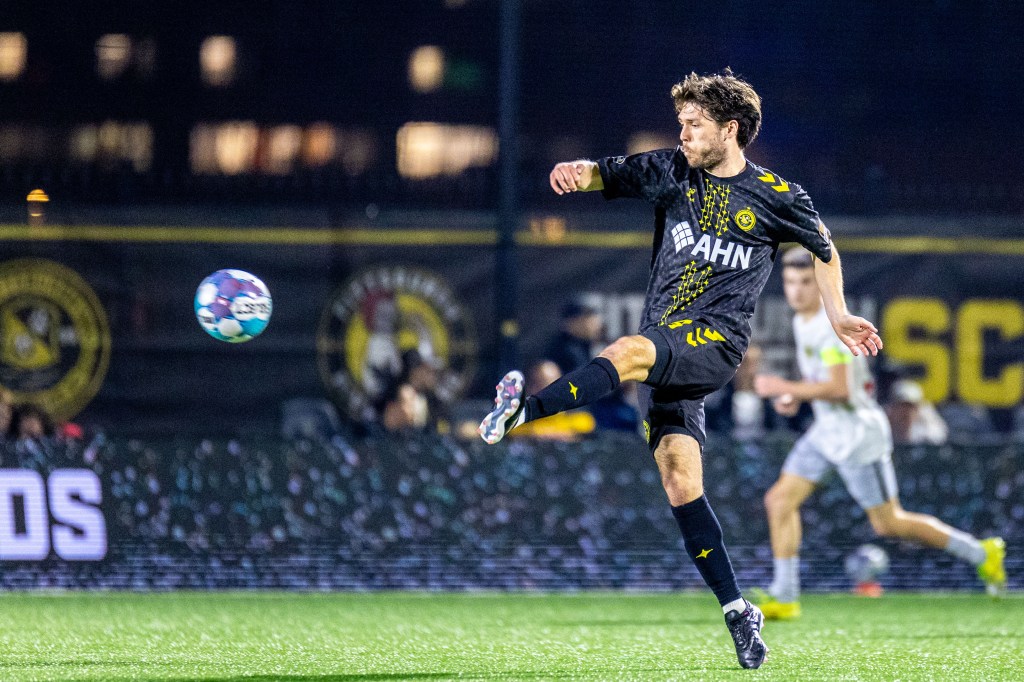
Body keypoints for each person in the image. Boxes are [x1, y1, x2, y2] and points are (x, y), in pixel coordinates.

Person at [478, 69, 884, 669]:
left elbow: (823, 246)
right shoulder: (672, 170)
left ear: (731, 129)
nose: (684, 133)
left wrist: (839, 313)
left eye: (695, 124)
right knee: (679, 480)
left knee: (630, 351)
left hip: (714, 345)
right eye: (681, 124)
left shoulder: (775, 194)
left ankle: (523, 412)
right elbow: (606, 172)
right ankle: (738, 610)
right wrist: (576, 172)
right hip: (671, 348)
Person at [751, 248, 1005, 620]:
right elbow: (826, 384)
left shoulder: (826, 326)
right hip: (827, 430)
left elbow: (840, 389)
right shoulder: (803, 321)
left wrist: (781, 385)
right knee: (779, 501)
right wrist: (796, 394)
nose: (797, 290)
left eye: (806, 281)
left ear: (822, 284)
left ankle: (982, 554)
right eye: (791, 282)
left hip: (857, 435)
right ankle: (785, 595)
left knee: (888, 523)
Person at [884, 379, 949, 445]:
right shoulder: (882, 422)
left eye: (911, 406)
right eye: (902, 405)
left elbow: (939, 438)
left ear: (918, 408)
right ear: (893, 407)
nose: (906, 411)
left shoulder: (929, 429)